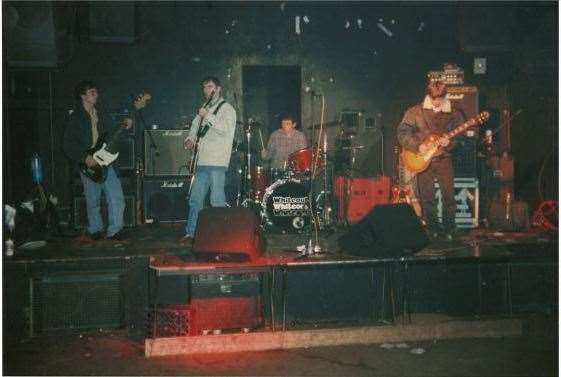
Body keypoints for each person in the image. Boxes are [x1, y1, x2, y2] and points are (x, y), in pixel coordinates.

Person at [63, 80, 131, 240]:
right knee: (92, 200)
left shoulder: (101, 113)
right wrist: (84, 157)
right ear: (83, 96)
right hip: (88, 163)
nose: (96, 95)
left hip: (106, 161)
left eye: (96, 92)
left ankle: (115, 230)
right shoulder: (75, 117)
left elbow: (113, 131)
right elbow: (67, 144)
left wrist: (125, 124)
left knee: (116, 197)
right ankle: (95, 229)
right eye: (92, 92)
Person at [397, 79, 464, 240]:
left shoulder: (454, 113)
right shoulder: (415, 112)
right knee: (427, 197)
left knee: (449, 196)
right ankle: (433, 229)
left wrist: (451, 143)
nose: (437, 106)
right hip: (422, 160)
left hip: (444, 158)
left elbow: (461, 138)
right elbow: (402, 133)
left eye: (441, 102)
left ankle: (450, 229)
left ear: (445, 97)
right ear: (428, 97)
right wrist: (417, 146)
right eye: (435, 102)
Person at [183, 76, 237, 241]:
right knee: (195, 199)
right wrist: (190, 139)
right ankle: (191, 232)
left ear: (218, 88)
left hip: (217, 162)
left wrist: (207, 115)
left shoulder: (227, 109)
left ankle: (220, 235)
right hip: (202, 161)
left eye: (210, 86)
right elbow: (194, 127)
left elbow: (224, 129)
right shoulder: (204, 107)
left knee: (217, 200)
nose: (207, 90)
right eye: (205, 87)